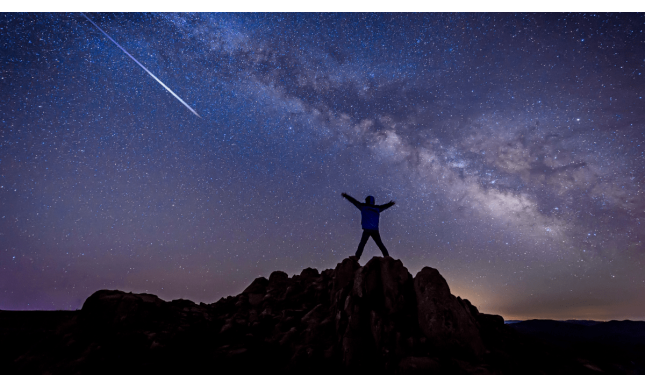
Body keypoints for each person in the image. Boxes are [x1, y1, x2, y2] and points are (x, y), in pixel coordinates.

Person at [341, 192, 395, 261]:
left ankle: (356, 257)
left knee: (362, 244)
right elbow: (384, 206)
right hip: (375, 229)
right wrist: (390, 204)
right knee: (380, 244)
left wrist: (346, 196)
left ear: (366, 201)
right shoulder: (377, 208)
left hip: (367, 229)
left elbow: (354, 201)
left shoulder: (363, 206)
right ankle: (386, 256)